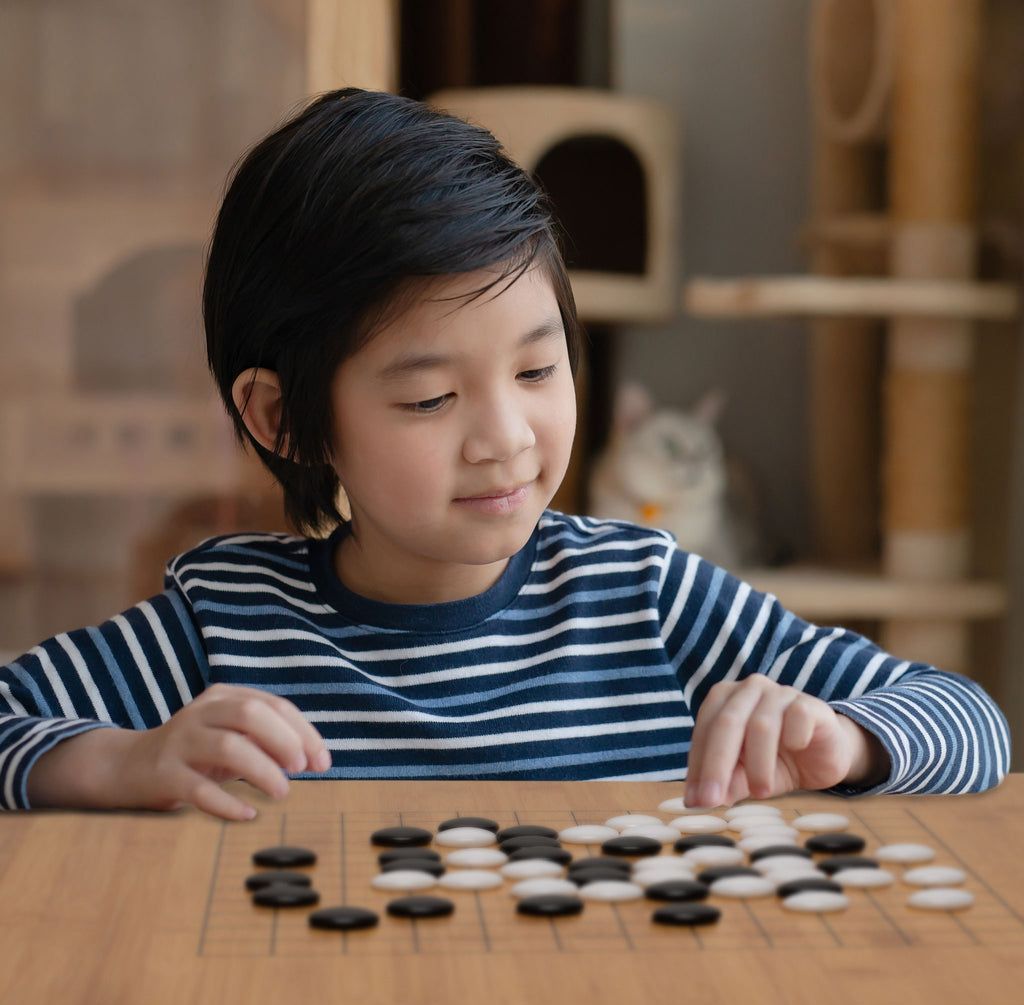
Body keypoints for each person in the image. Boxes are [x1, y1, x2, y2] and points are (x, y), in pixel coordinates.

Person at [0, 89, 1010, 822]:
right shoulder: (226, 623)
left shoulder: (645, 594)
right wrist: (119, 763)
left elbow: (971, 722)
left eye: (538, 371)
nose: (507, 439)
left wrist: (848, 738)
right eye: (429, 396)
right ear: (283, 420)